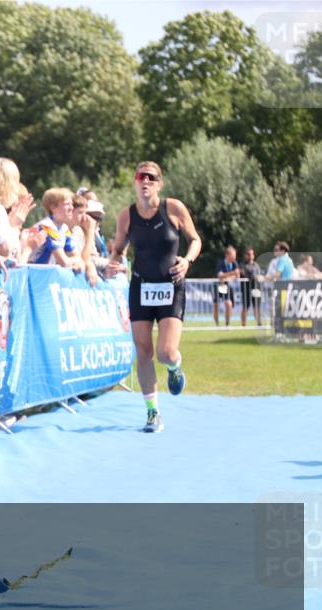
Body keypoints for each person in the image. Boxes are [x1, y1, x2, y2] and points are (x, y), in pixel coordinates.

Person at [107, 161, 201, 433]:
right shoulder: (126, 216)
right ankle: (152, 413)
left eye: (151, 177)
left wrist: (187, 261)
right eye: (140, 177)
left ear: (159, 184)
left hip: (171, 286)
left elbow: (195, 239)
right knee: (144, 351)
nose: (145, 181)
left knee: (165, 352)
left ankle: (175, 368)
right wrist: (115, 261)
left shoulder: (173, 208)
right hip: (141, 287)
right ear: (135, 183)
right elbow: (120, 249)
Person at [24, 188, 83, 271]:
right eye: (67, 204)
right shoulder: (47, 227)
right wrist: (76, 261)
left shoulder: (64, 228)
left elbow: (77, 257)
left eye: (72, 204)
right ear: (53, 207)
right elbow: (64, 262)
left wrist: (77, 261)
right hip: (32, 274)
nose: (72, 208)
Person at [213, 246, 239, 327]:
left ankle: (227, 324)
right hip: (219, 285)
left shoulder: (234, 263)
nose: (234, 257)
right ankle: (217, 324)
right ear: (227, 255)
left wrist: (228, 277)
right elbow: (220, 276)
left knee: (229, 304)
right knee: (216, 305)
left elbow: (237, 275)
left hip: (227, 285)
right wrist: (232, 274)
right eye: (233, 255)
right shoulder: (221, 263)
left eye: (235, 255)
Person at [238, 247, 264, 327]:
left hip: (256, 288)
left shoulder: (256, 265)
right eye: (249, 254)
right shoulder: (242, 265)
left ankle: (259, 323)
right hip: (246, 289)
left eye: (252, 254)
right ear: (245, 255)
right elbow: (243, 274)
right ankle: (243, 325)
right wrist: (252, 276)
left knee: (257, 306)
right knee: (246, 306)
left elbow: (259, 275)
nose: (250, 256)